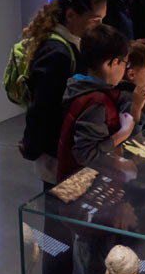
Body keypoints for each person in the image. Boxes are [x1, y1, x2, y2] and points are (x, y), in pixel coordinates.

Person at [19, 0, 109, 185]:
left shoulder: (71, 44)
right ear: (70, 15)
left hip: (67, 148)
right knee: (59, 211)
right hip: (57, 151)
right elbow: (42, 107)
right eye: (95, 20)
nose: (100, 25)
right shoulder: (57, 53)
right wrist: (31, 146)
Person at [56, 24, 134, 181]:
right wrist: (123, 133)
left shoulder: (80, 89)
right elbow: (86, 154)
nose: (126, 69)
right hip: (82, 184)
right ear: (111, 63)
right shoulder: (96, 102)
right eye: (125, 63)